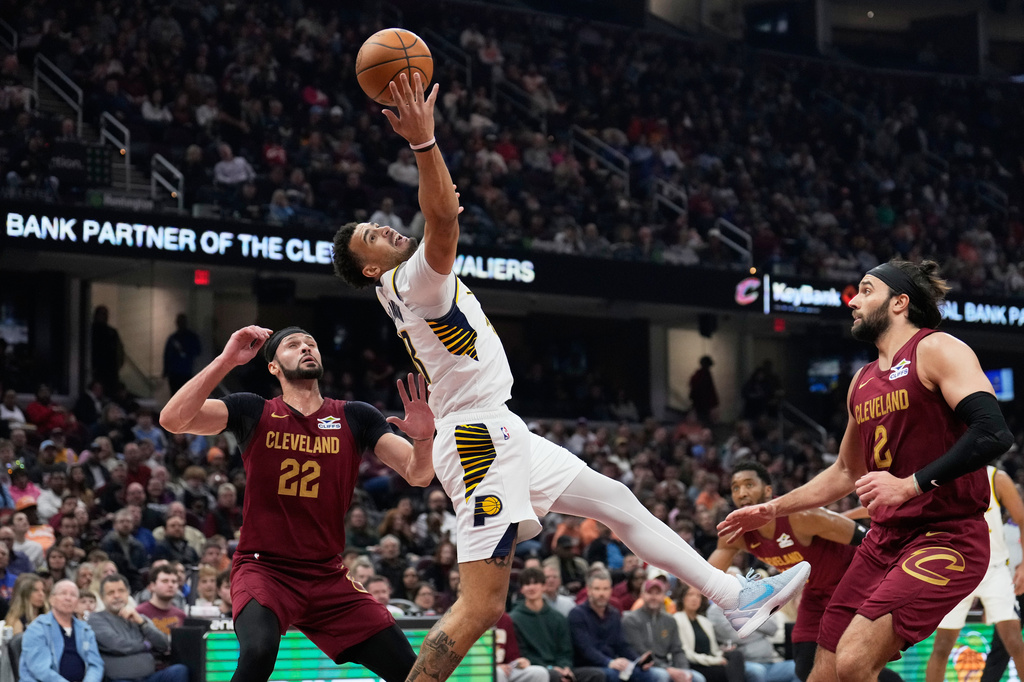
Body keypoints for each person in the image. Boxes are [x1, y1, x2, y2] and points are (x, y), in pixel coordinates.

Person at [331, 73, 809, 682]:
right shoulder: (410, 280)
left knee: (617, 502)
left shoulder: (401, 288)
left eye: (378, 223)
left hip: (496, 429)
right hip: (477, 441)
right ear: (370, 265)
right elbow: (445, 215)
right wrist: (425, 143)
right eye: (375, 235)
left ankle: (732, 598)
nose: (387, 228)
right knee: (481, 605)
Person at [718, 259, 1015, 682]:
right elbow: (843, 471)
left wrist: (910, 485)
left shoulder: (936, 349)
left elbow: (993, 432)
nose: (854, 301)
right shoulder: (862, 381)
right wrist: (772, 508)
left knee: (855, 660)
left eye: (865, 290)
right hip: (884, 539)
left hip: (947, 534)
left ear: (900, 302)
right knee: (824, 673)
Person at [159, 324, 436, 682]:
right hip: (264, 569)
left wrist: (426, 439)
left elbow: (418, 475)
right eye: (293, 345)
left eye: (312, 343)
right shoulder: (253, 410)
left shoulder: (356, 415)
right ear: (273, 366)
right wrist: (227, 360)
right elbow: (172, 419)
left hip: (326, 574)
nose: (306, 348)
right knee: (258, 653)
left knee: (409, 669)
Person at [709, 462, 868, 682]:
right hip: (815, 590)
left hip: (852, 583)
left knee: (845, 661)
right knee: (804, 665)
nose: (742, 492)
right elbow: (707, 577)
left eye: (749, 485)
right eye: (735, 488)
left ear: (767, 491)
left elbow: (867, 539)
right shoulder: (736, 534)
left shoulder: (799, 516)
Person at [924, 466, 1024, 682]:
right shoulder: (941, 477)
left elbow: (1022, 519)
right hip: (957, 572)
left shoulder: (996, 477)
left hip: (995, 569)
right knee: (941, 646)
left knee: (1014, 641)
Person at [90, 573, 189, 682]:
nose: (117, 595)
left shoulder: (139, 617)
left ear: (128, 593)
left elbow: (163, 645)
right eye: (111, 593)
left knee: (179, 670)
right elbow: (117, 645)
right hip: (121, 679)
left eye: (121, 591)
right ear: (102, 597)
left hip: (150, 677)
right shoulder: (96, 619)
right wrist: (146, 645)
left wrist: (142, 623)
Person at [511, 567, 604, 682]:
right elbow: (523, 654)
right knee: (553, 676)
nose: (531, 587)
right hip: (536, 670)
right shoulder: (514, 618)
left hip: (560, 669)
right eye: (527, 584)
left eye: (536, 583)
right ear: (521, 589)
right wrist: (551, 668)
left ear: (544, 586)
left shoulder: (557, 617)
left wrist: (565, 668)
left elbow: (565, 651)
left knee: (597, 675)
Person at [569, 569, 659, 682]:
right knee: (613, 675)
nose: (601, 593)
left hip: (611, 663)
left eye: (605, 589)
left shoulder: (614, 614)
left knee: (646, 674)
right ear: (589, 590)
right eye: (597, 589)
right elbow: (586, 649)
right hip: (587, 665)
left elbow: (622, 645)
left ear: (611, 590)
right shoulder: (577, 614)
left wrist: (638, 660)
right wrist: (609, 662)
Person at [19, 579, 103, 682]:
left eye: (73, 595)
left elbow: (95, 665)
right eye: (63, 593)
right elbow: (40, 669)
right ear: (51, 599)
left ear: (77, 602)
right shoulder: (37, 628)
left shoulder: (85, 630)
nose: (68, 598)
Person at [623, 579, 701, 682]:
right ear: (641, 595)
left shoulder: (670, 620)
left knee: (697, 678)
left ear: (664, 596)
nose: (654, 597)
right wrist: (668, 669)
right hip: (640, 666)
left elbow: (677, 650)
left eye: (658, 593)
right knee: (662, 676)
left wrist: (684, 671)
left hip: (666, 665)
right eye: (649, 593)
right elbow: (640, 652)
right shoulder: (630, 619)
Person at [707, 604, 798, 682]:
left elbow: (772, 628)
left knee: (797, 667)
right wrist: (758, 627)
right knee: (757, 671)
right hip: (745, 664)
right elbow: (735, 636)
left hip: (770, 662)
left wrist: (745, 621)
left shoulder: (751, 605)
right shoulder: (716, 610)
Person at [674, 584, 744, 682]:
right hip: (694, 663)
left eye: (698, 596)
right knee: (725, 671)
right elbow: (686, 653)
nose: (695, 599)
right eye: (690, 595)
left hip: (710, 660)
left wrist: (722, 652)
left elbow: (714, 650)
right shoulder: (677, 619)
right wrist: (715, 661)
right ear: (682, 598)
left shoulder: (705, 621)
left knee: (736, 655)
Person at [135, 563, 187, 636]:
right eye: (165, 581)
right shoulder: (139, 613)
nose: (170, 585)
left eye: (174, 582)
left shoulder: (181, 615)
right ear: (152, 586)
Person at [163, 313, 201, 394]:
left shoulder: (191, 337)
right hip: (174, 373)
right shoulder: (173, 338)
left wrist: (186, 352)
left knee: (185, 395)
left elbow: (198, 351)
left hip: (186, 372)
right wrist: (165, 370)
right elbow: (166, 355)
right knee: (174, 396)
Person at [91, 305, 125, 395]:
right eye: (101, 314)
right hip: (96, 370)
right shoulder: (91, 332)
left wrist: (117, 365)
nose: (104, 316)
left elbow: (119, 352)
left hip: (110, 371)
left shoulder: (112, 333)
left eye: (105, 314)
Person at [689, 357, 719, 426]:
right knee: (703, 420)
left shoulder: (700, 374)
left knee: (703, 420)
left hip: (702, 403)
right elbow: (709, 390)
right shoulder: (702, 375)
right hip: (703, 403)